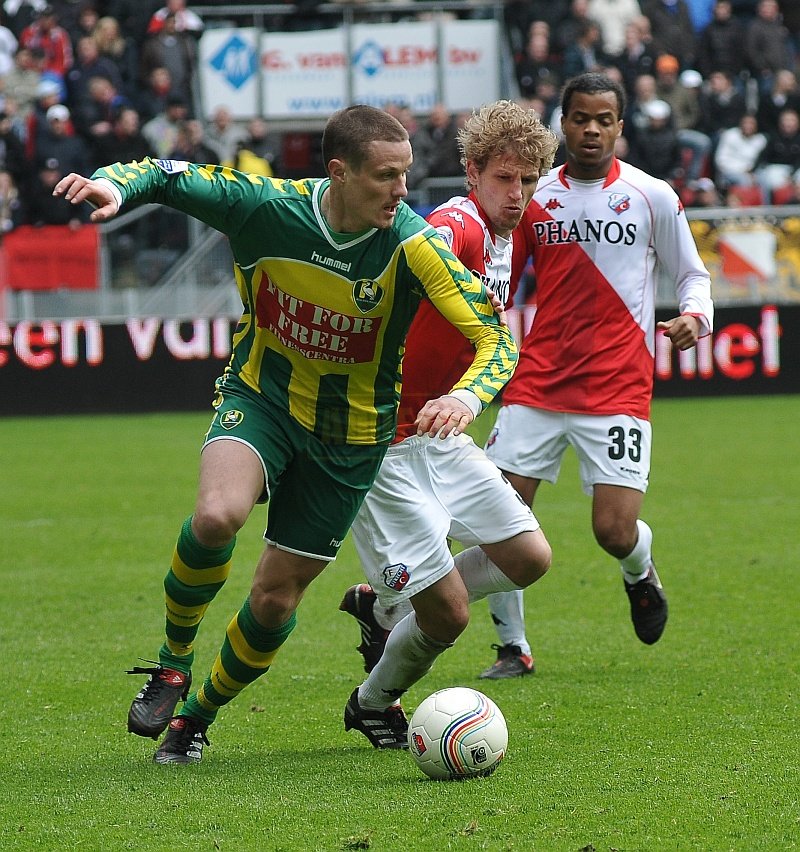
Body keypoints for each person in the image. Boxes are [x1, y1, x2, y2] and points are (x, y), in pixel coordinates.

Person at [53, 104, 519, 764]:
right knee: (218, 515)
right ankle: (170, 664)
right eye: (387, 176)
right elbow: (165, 172)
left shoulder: (415, 246)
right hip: (263, 398)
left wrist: (468, 395)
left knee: (273, 601)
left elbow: (495, 337)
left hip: (350, 442)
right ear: (340, 174)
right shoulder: (267, 207)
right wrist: (113, 185)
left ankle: (196, 716)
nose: (402, 192)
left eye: (408, 175)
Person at [477, 71, 713, 678]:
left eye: (603, 119)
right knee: (501, 522)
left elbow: (693, 275)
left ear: (619, 126)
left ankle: (640, 572)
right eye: (580, 117)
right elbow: (502, 280)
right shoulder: (535, 198)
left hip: (617, 388)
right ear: (563, 121)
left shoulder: (651, 195)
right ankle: (512, 646)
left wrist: (694, 316)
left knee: (613, 530)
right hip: (537, 383)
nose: (591, 129)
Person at [337, 100, 559, 747]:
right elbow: (423, 242)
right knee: (451, 615)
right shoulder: (457, 225)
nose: (515, 194)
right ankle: (373, 702)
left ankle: (383, 607)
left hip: (441, 431)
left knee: (529, 557)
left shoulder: (508, 238)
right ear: (473, 172)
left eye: (527, 181)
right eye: (504, 179)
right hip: (380, 442)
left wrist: (461, 396)